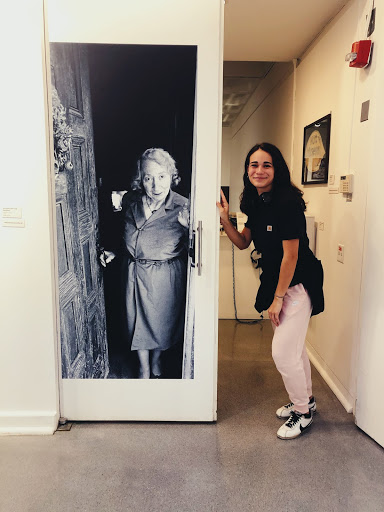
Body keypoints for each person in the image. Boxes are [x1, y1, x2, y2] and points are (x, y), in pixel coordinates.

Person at [217, 142, 324, 440]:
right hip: (278, 282)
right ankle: (307, 400)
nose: (259, 170)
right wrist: (225, 218)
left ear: (276, 169)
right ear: (247, 169)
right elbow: (242, 242)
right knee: (294, 347)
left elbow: (291, 256)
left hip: (299, 282)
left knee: (282, 352)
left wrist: (278, 299)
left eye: (266, 165)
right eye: (254, 164)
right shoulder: (254, 201)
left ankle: (303, 413)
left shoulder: (287, 202)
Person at [101, 148, 189, 379]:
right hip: (132, 272)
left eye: (161, 176)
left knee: (163, 324)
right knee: (134, 322)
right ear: (141, 178)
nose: (155, 185)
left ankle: (157, 358)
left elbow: (199, 249)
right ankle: (144, 367)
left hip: (164, 277)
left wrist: (190, 229)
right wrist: (115, 252)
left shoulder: (184, 206)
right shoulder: (131, 200)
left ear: (172, 176)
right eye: (148, 177)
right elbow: (127, 235)